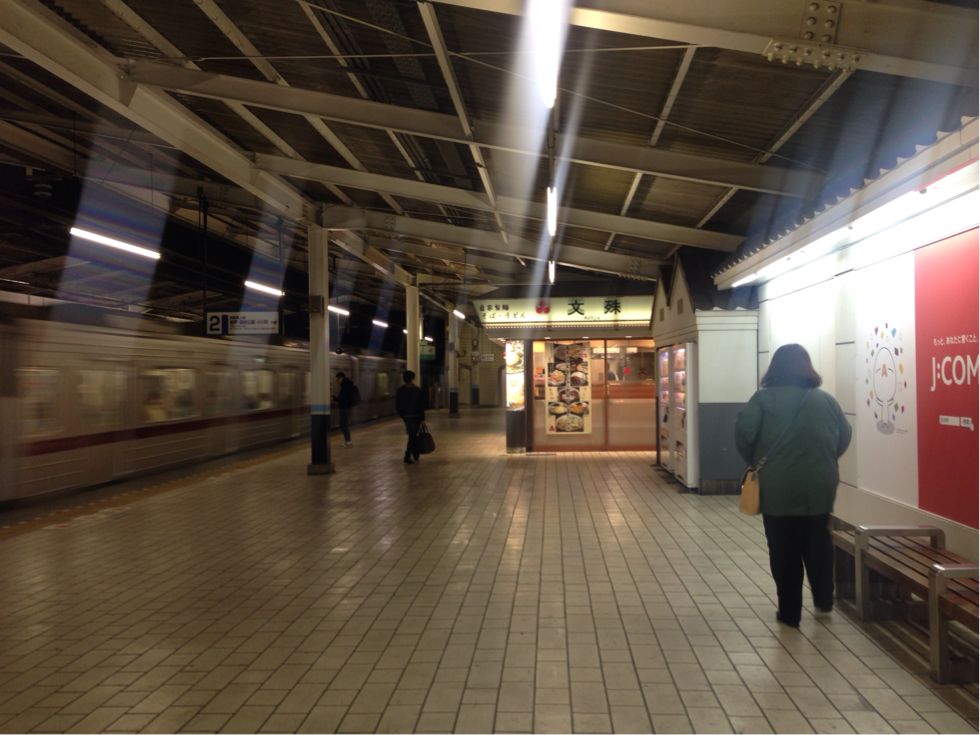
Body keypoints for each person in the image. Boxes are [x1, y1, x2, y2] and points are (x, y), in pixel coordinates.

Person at [735, 343, 852, 629]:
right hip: (820, 483)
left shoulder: (763, 401)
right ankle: (824, 600)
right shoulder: (825, 400)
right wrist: (823, 460)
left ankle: (790, 612)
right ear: (806, 366)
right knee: (819, 542)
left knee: (784, 548)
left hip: (777, 485)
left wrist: (757, 460)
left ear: (774, 368)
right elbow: (844, 436)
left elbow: (744, 435)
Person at [395, 370, 425, 464]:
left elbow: (397, 404)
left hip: (406, 416)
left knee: (412, 434)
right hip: (416, 416)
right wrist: (423, 418)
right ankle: (408, 455)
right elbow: (421, 405)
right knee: (412, 435)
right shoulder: (417, 390)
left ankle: (414, 453)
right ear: (412, 378)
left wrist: (402, 415)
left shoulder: (400, 390)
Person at [334, 371, 356, 447]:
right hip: (346, 407)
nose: (337, 381)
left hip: (344, 408)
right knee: (344, 424)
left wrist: (335, 398)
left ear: (341, 378)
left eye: (337, 379)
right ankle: (348, 441)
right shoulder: (348, 384)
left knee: (343, 424)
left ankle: (348, 441)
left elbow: (343, 398)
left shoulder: (345, 385)